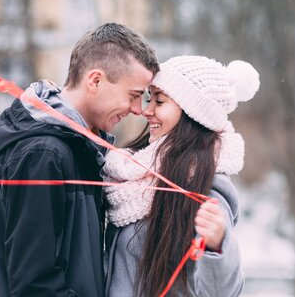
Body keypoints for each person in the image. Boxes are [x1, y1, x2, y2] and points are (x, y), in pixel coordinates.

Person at [0, 22, 159, 297]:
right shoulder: (43, 154)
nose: (137, 110)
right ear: (95, 81)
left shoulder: (80, 149)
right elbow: (33, 285)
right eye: (133, 96)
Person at [103, 55, 260, 296]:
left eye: (160, 101)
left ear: (192, 113)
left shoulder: (207, 188)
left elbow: (222, 293)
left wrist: (217, 246)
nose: (147, 110)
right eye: (149, 98)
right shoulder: (130, 177)